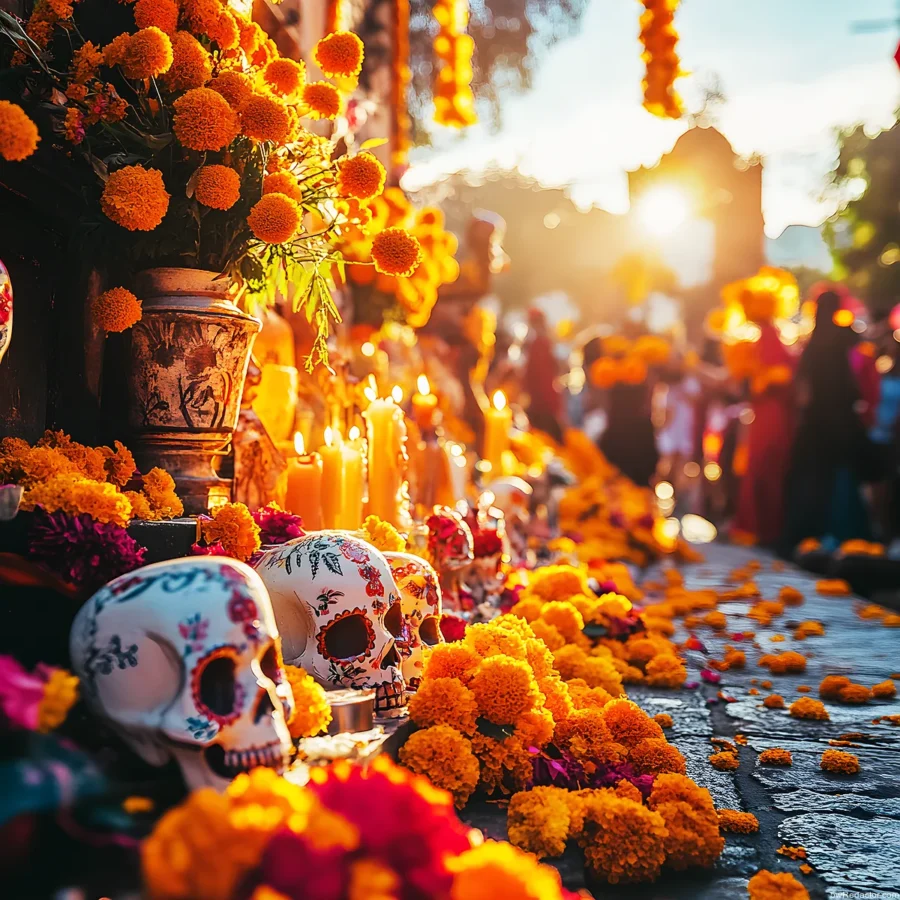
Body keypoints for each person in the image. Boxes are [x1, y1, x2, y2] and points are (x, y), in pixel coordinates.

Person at [780, 289, 873, 553]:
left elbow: (803, 389)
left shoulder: (812, 343)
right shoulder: (845, 335)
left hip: (816, 422)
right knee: (842, 474)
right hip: (842, 419)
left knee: (814, 477)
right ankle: (845, 532)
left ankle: (813, 532)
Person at [731, 316, 796, 548]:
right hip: (765, 414)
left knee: (764, 467)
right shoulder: (760, 339)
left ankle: (765, 528)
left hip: (771, 415)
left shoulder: (770, 337)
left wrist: (759, 379)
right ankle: (761, 527)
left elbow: (780, 375)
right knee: (761, 468)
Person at [523, 308, 565, 442]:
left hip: (543, 400)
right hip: (542, 400)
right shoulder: (539, 343)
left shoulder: (540, 344)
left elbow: (542, 377)